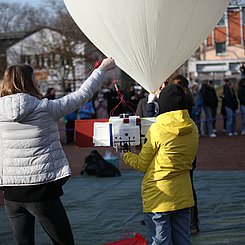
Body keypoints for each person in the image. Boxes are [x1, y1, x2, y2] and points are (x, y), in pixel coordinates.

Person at [0, 57, 115, 245]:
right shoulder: (45, 108)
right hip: (42, 191)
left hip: (11, 193)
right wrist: (101, 69)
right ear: (30, 82)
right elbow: (82, 94)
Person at [122, 84, 199, 245]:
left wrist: (126, 154)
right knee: (183, 240)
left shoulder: (158, 129)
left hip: (159, 197)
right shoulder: (192, 127)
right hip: (183, 195)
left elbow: (142, 164)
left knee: (160, 241)